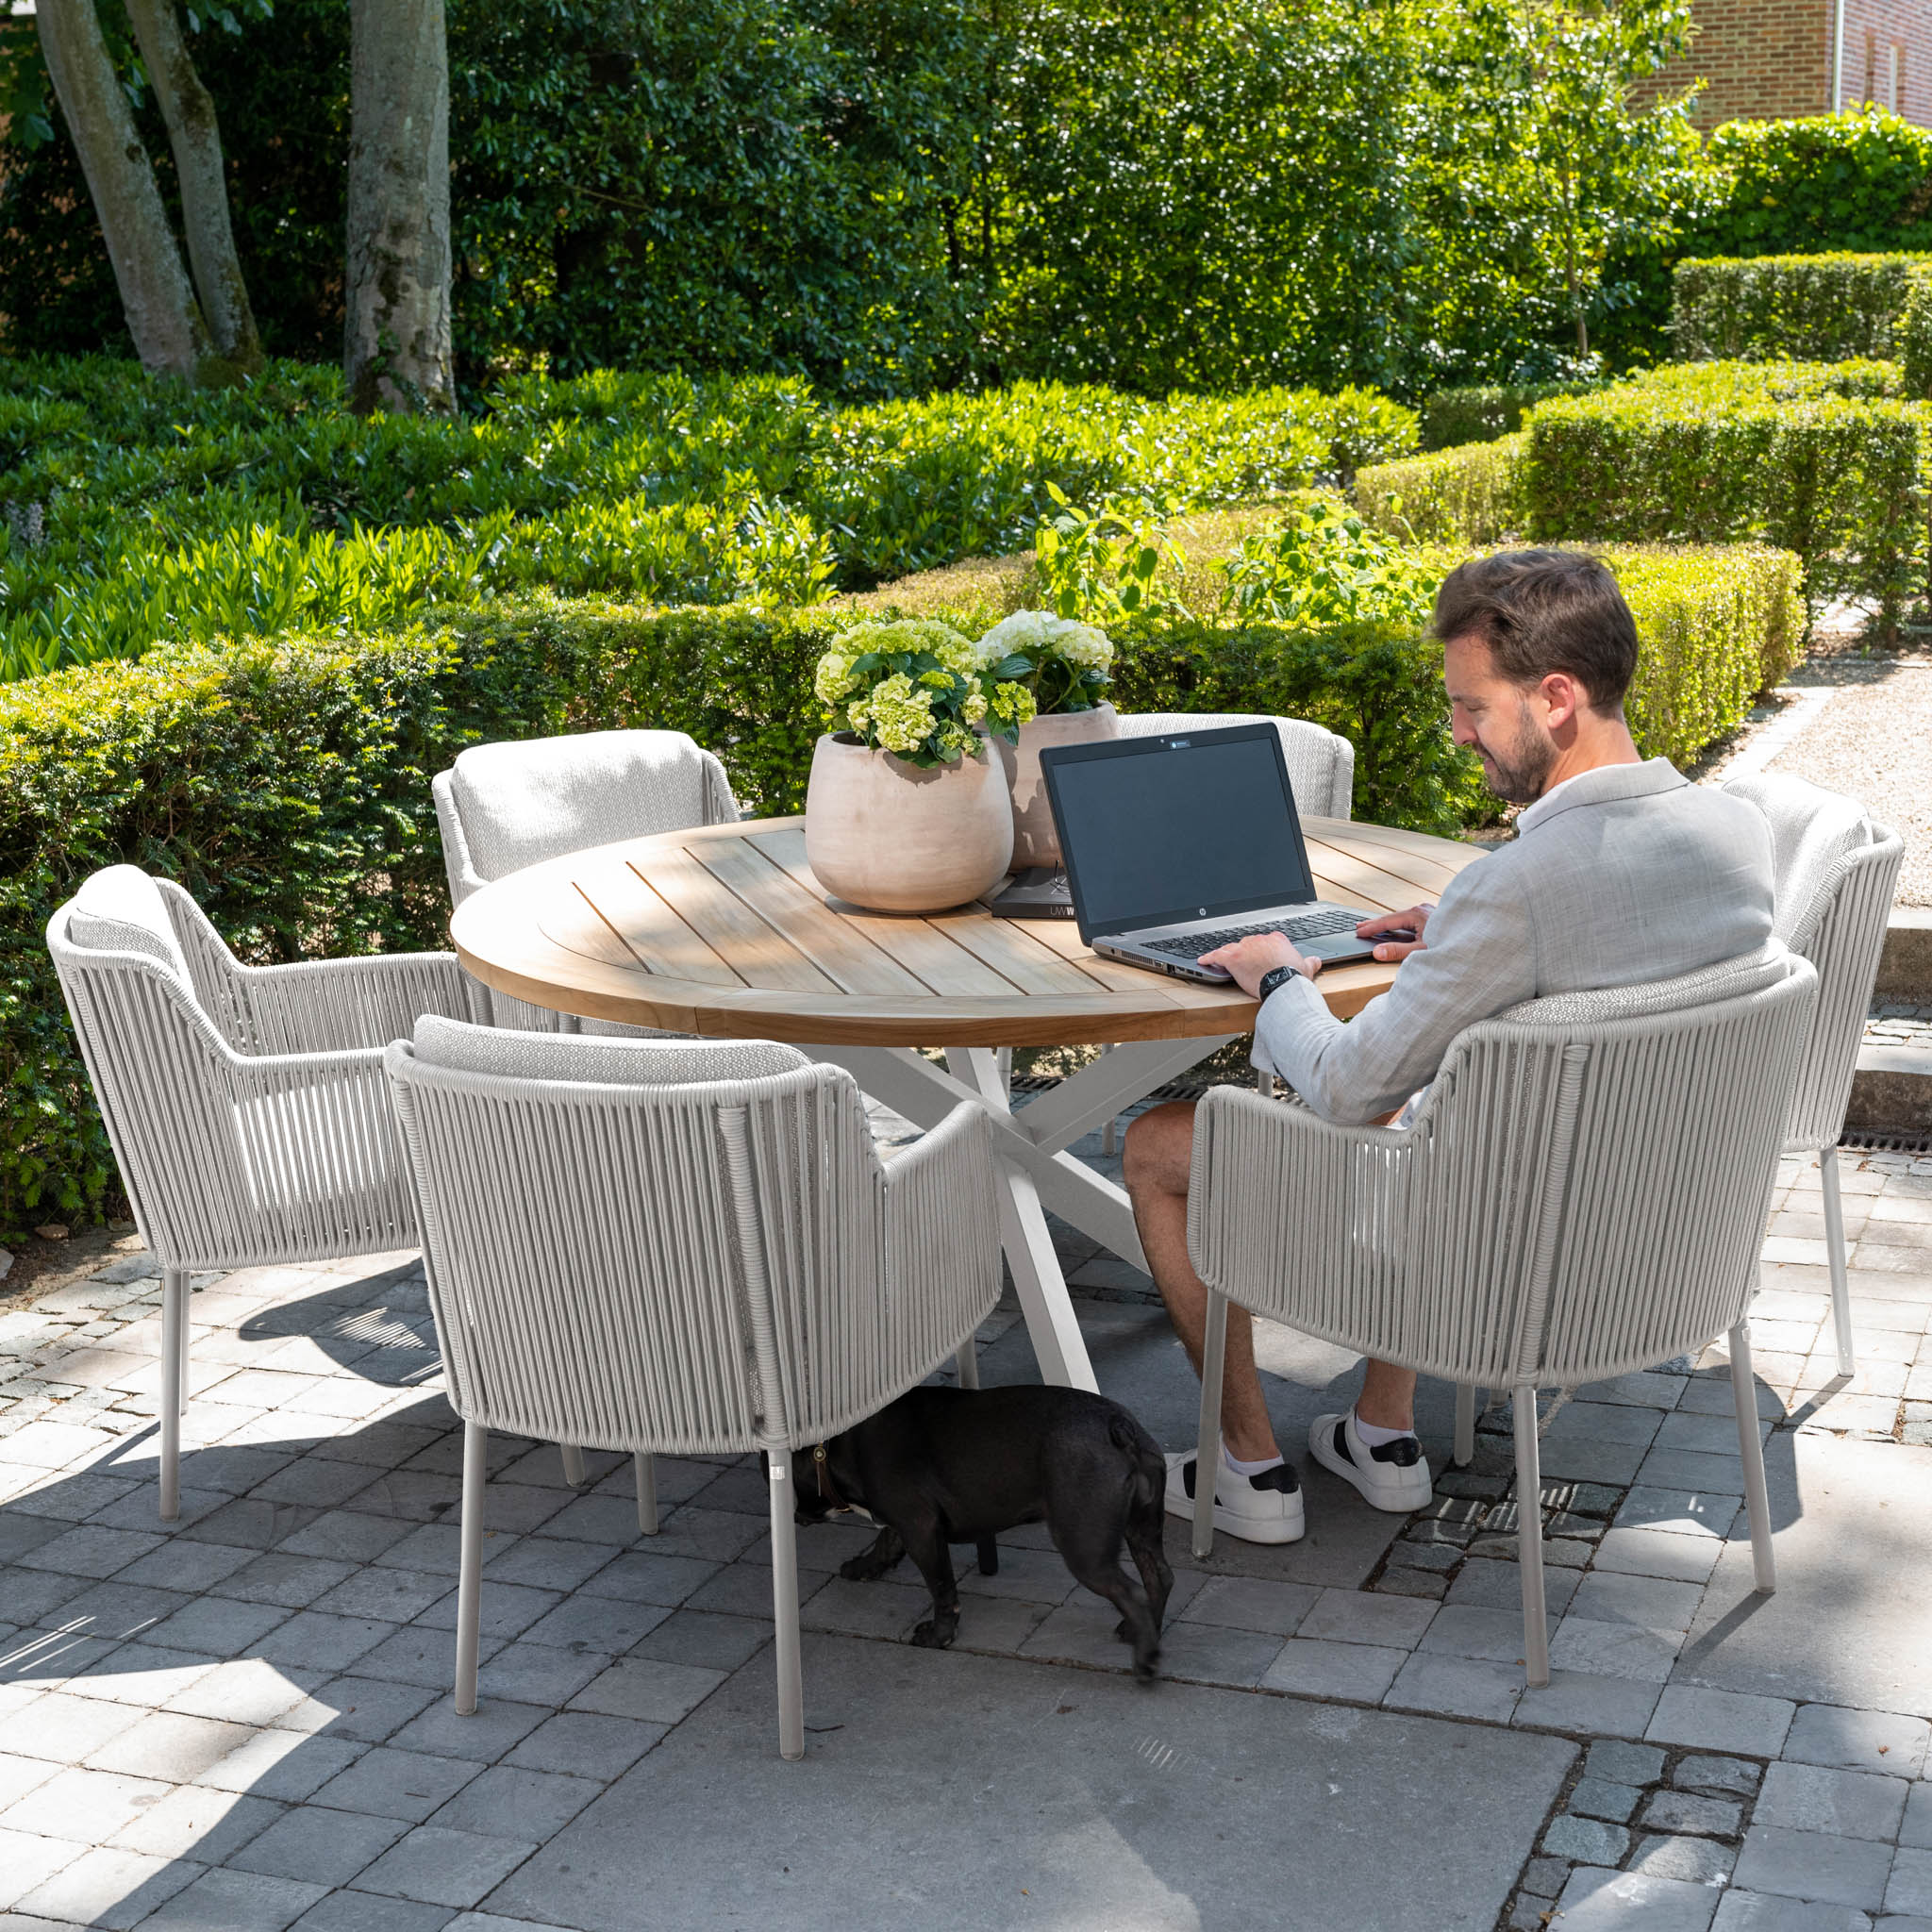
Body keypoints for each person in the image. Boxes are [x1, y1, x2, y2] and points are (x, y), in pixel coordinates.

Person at [1122, 549, 1776, 1543]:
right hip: (1666, 1247)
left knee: (1158, 1141)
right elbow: (1595, 938)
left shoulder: (1514, 888)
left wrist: (1277, 976)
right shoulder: (1731, 831)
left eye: (1471, 706)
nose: (1458, 730)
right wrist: (1459, 940)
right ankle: (1380, 1431)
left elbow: (1344, 1088)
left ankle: (1244, 1469)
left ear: (1554, 697)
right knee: (1437, 1079)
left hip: (1494, 1265)